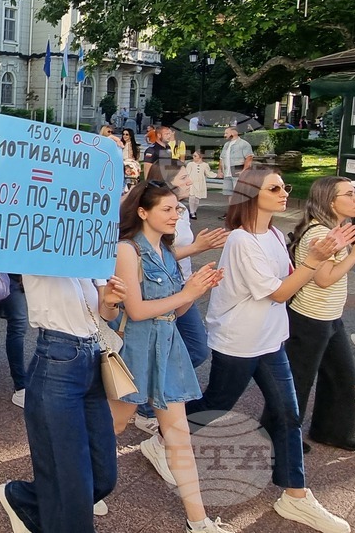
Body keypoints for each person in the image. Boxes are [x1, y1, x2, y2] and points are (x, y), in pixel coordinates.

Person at [183, 167, 355, 533]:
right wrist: (318, 258)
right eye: (274, 187)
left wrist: (326, 258)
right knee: (216, 404)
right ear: (251, 194)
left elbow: (293, 282)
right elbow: (280, 291)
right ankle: (168, 430)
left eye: (284, 186)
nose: (284, 192)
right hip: (240, 342)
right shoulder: (241, 241)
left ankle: (295, 495)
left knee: (288, 415)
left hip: (271, 339)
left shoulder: (276, 233)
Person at [109, 181, 230, 533]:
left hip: (166, 345)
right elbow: (136, 309)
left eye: (177, 208)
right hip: (135, 348)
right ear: (143, 212)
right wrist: (188, 292)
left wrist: (198, 290)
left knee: (178, 435)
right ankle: (83, 489)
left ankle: (199, 521)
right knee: (112, 426)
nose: (175, 215)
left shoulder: (166, 250)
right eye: (167, 208)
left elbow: (173, 313)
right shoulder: (127, 250)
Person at [0, 272, 125, 533]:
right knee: (73, 493)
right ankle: (47, 510)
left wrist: (111, 302)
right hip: (56, 361)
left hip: (92, 359)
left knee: (103, 476)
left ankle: (23, 498)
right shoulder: (39, 246)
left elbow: (106, 313)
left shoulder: (91, 249)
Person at [281, 177, 355, 451]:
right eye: (349, 194)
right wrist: (353, 255)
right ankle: (283, 436)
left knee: (342, 375)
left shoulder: (335, 228)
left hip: (330, 316)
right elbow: (324, 279)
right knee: (299, 379)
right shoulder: (318, 233)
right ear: (330, 201)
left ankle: (332, 431)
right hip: (309, 317)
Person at [217, 127, 253, 213]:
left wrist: (244, 171)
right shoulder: (226, 145)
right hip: (227, 174)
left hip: (237, 172)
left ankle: (241, 214)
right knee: (229, 194)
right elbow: (221, 158)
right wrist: (219, 170)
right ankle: (231, 213)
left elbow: (249, 157)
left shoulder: (244, 144)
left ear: (233, 132)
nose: (224, 135)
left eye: (226, 133)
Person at [186, 152, 217, 219]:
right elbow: (187, 173)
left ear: (200, 157)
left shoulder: (205, 165)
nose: (193, 157)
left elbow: (208, 173)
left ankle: (194, 211)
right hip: (192, 182)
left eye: (195, 156)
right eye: (193, 156)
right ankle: (191, 212)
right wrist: (187, 181)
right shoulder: (190, 164)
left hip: (200, 183)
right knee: (192, 197)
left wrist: (216, 175)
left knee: (197, 198)